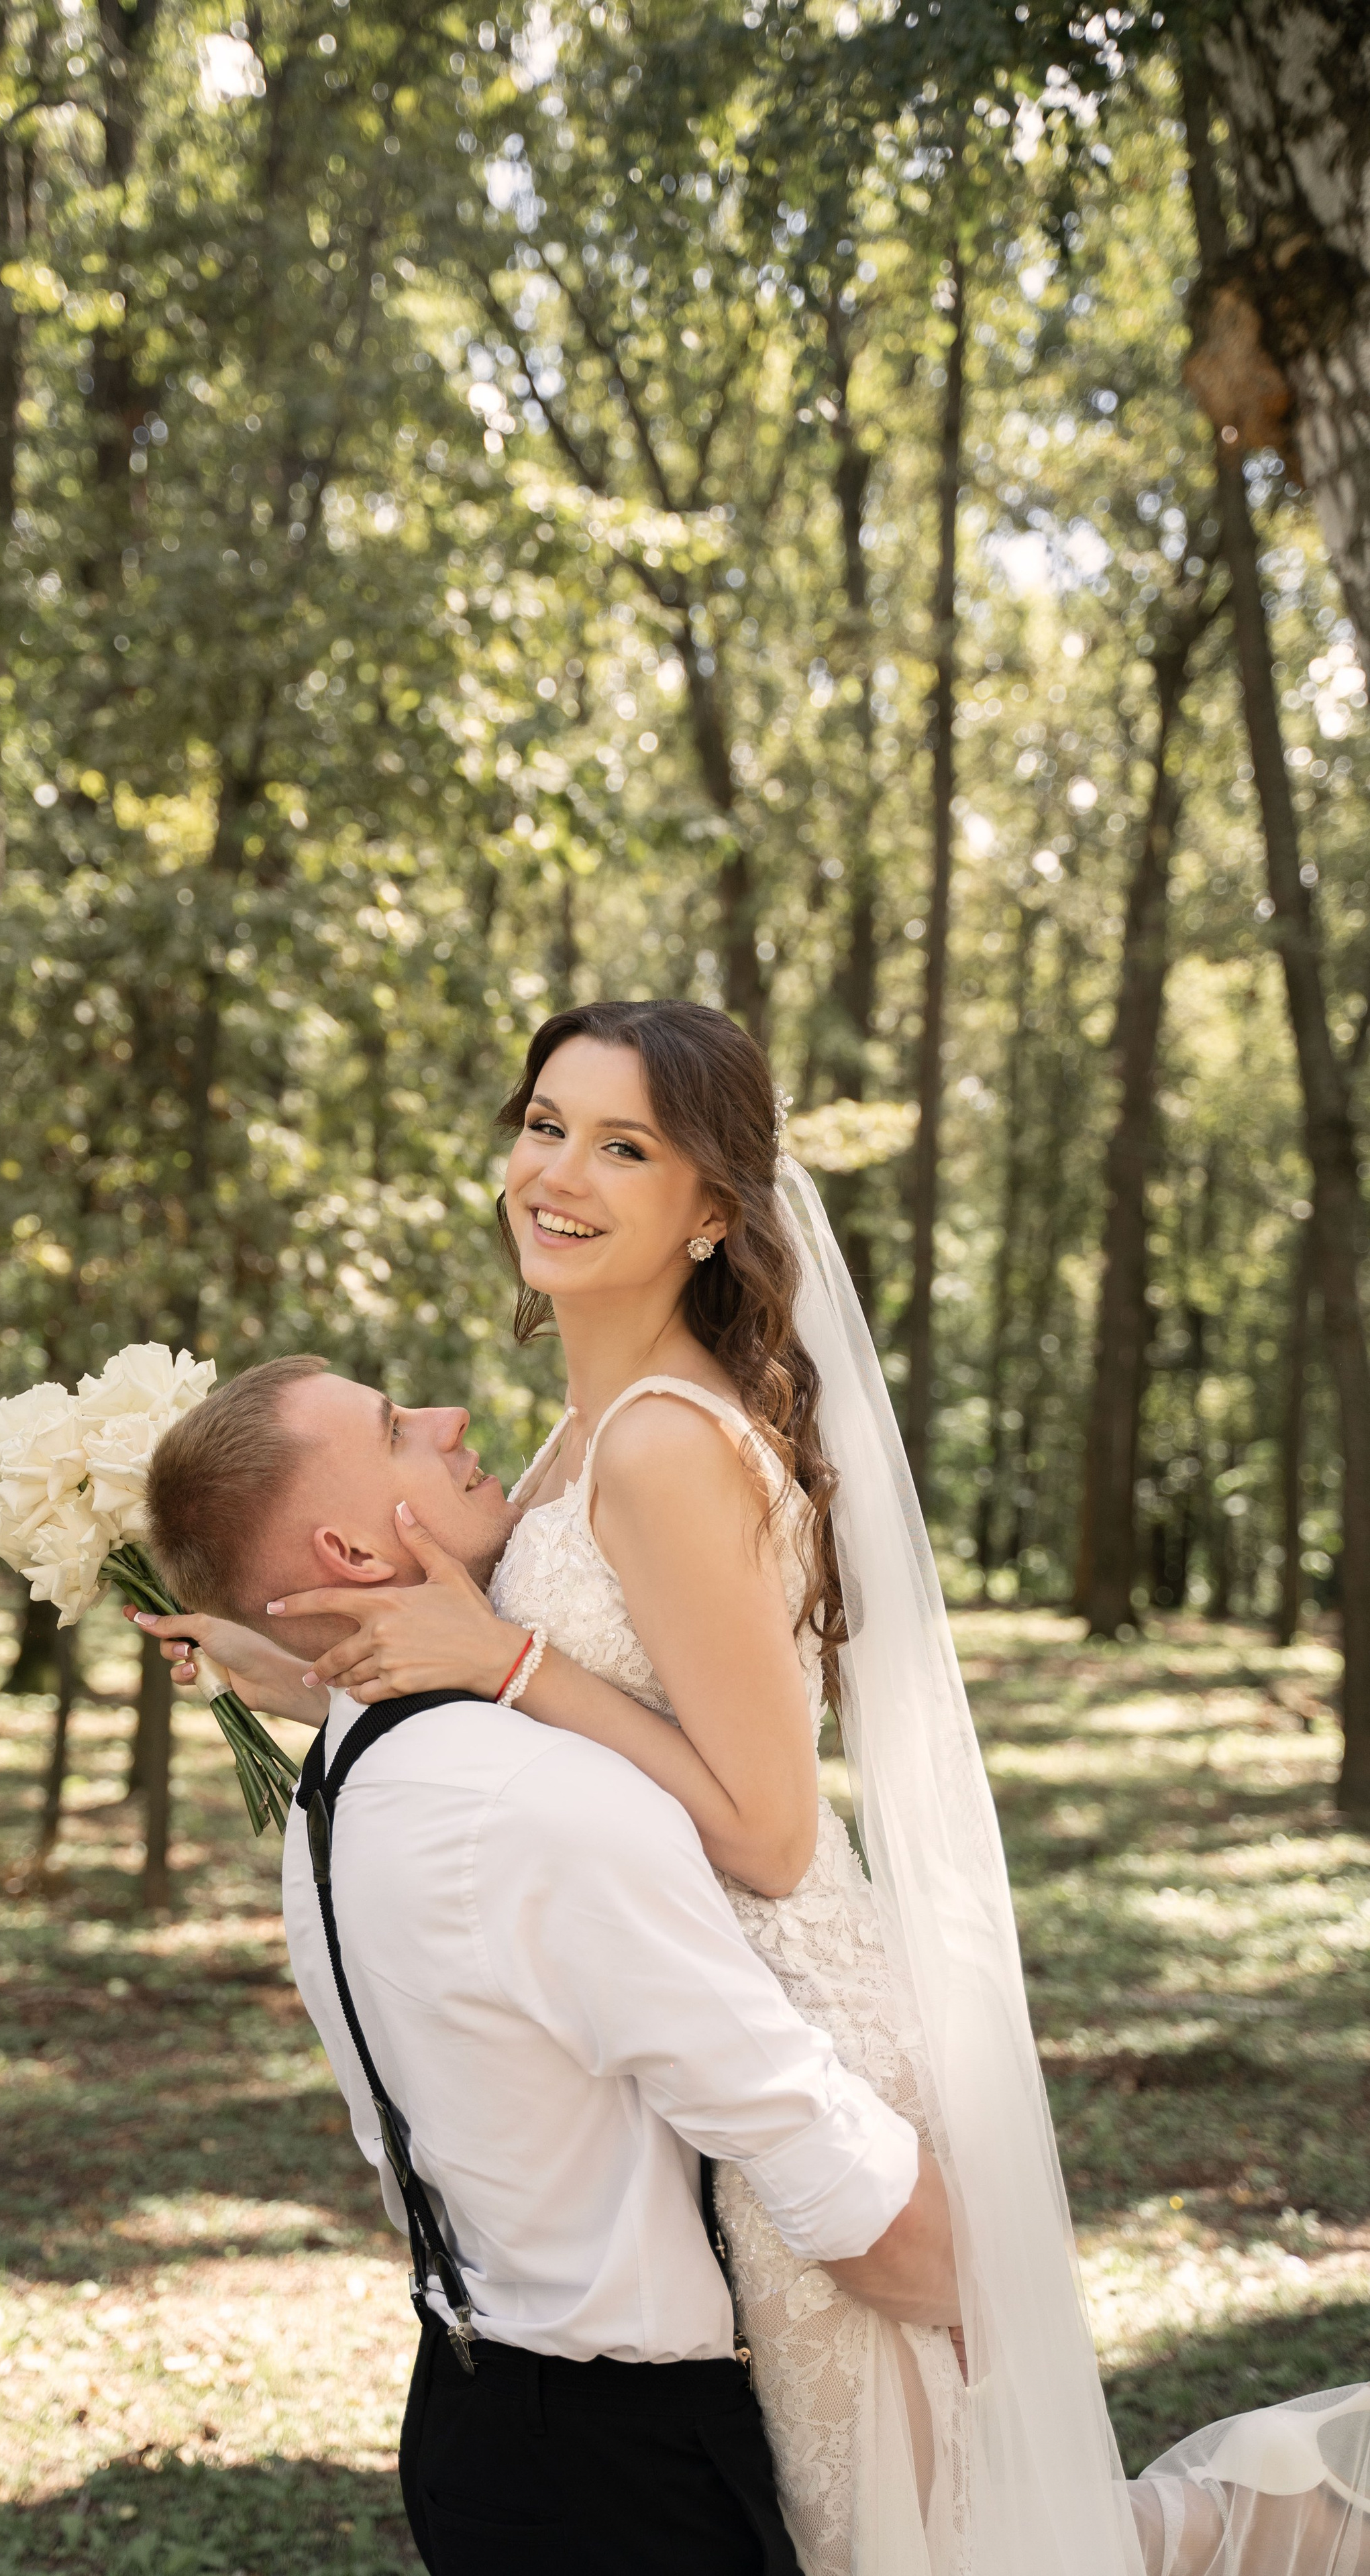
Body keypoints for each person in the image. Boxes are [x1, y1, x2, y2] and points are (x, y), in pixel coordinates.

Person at [138, 1001, 1370, 2576]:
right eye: (542, 1124)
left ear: (712, 1213)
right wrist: (298, 1663)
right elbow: (536, 1697)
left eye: (622, 1145)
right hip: (674, 2022)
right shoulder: (579, 1433)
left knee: (912, 2536)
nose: (555, 1171)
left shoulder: (658, 1445)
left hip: (777, 2020)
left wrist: (506, 1664)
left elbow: (772, 1833)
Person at [140, 1354, 961, 2575]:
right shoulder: (543, 1803)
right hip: (629, 2486)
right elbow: (815, 2159)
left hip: (469, 2427)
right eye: (396, 1429)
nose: (449, 1416)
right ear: (355, 1559)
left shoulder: (339, 1784)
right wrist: (1003, 2298)